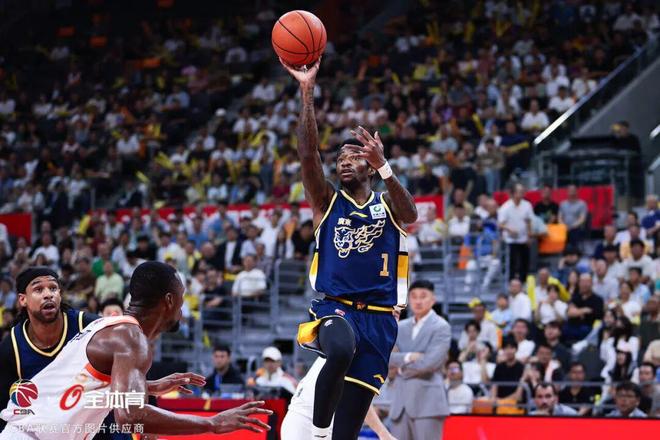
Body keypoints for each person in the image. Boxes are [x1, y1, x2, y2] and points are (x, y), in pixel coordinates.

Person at [282, 58, 418, 440]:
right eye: (340, 159)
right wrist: (307, 92)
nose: (344, 162)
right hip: (336, 307)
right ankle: (319, 434)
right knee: (340, 349)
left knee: (350, 429)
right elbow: (308, 154)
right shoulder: (327, 201)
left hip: (379, 320)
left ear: (370, 167)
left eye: (354, 158)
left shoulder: (386, 202)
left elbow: (410, 214)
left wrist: (386, 167)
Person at [0, 262, 272, 438]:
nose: (182, 307)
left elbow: (86, 395)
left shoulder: (110, 327)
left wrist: (149, 387)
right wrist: (212, 423)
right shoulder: (132, 340)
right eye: (181, 297)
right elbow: (131, 418)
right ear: (169, 300)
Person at [0, 267, 98, 432]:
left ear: (60, 294)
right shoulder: (12, 346)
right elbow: (5, 409)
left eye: (53, 288)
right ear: (23, 300)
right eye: (38, 289)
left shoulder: (88, 326)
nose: (48, 294)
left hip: (93, 423)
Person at [388, 280, 451, 440]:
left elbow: (429, 364)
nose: (418, 301)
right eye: (414, 296)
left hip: (428, 404)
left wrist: (399, 368)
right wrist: (408, 357)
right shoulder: (400, 327)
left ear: (433, 299)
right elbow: (387, 358)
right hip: (400, 404)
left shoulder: (441, 327)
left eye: (423, 296)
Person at [280, 357, 398, 440]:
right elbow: (358, 401)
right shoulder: (354, 346)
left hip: (319, 422)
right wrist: (383, 434)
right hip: (305, 419)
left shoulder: (353, 341)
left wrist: (383, 434)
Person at [498, 183, 534, 280]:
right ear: (513, 193)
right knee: (512, 263)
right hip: (510, 240)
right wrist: (509, 229)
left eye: (522, 191)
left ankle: (523, 281)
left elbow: (529, 221)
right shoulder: (505, 207)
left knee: (525, 262)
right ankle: (511, 282)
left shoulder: (527, 205)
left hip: (523, 238)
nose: (521, 193)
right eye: (519, 191)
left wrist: (529, 236)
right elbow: (500, 224)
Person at [565, 273, 604, 343]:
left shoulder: (598, 300)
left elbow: (597, 316)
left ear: (592, 283)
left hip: (588, 330)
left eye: (587, 282)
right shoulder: (575, 297)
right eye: (582, 282)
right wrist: (584, 310)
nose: (584, 284)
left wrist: (576, 311)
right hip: (571, 327)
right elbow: (569, 313)